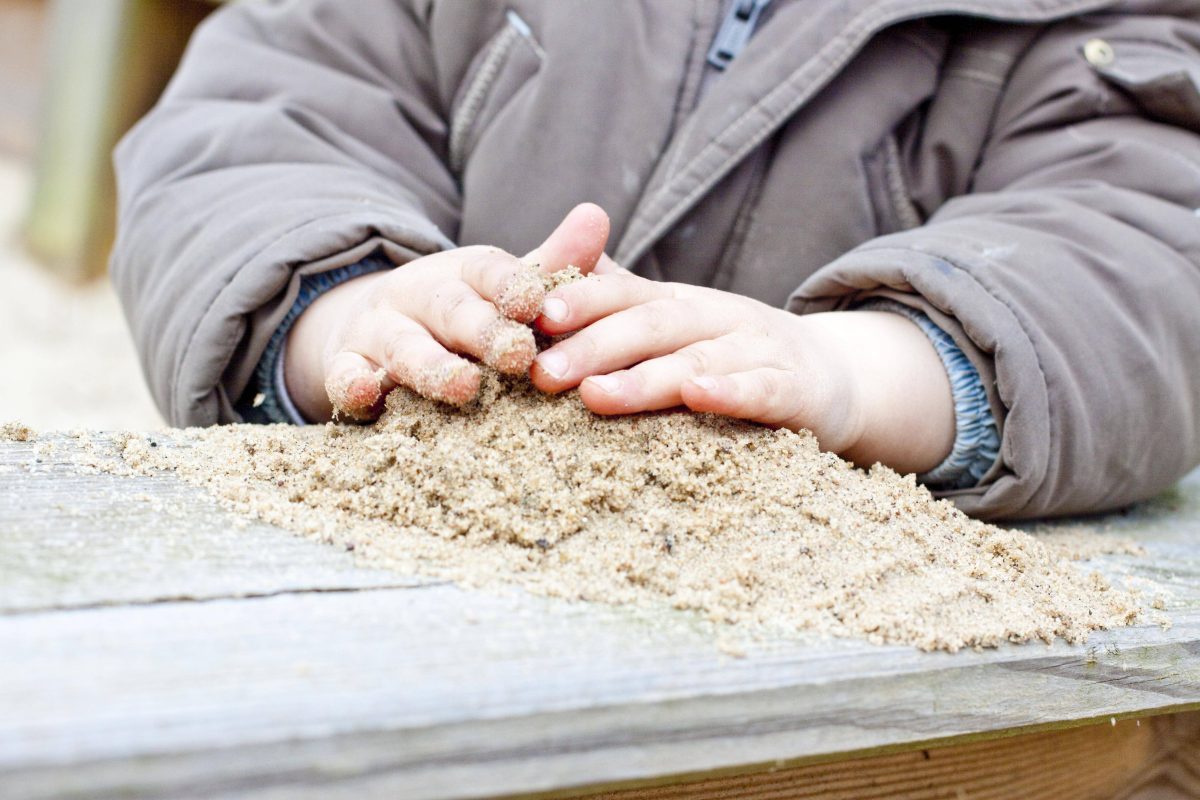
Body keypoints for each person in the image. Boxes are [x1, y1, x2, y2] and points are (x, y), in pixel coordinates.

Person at [111, 0, 1200, 520]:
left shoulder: (1102, 26)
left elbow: (1144, 243)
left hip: (823, 636)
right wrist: (334, 304)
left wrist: (865, 371)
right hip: (408, 538)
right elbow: (264, 114)